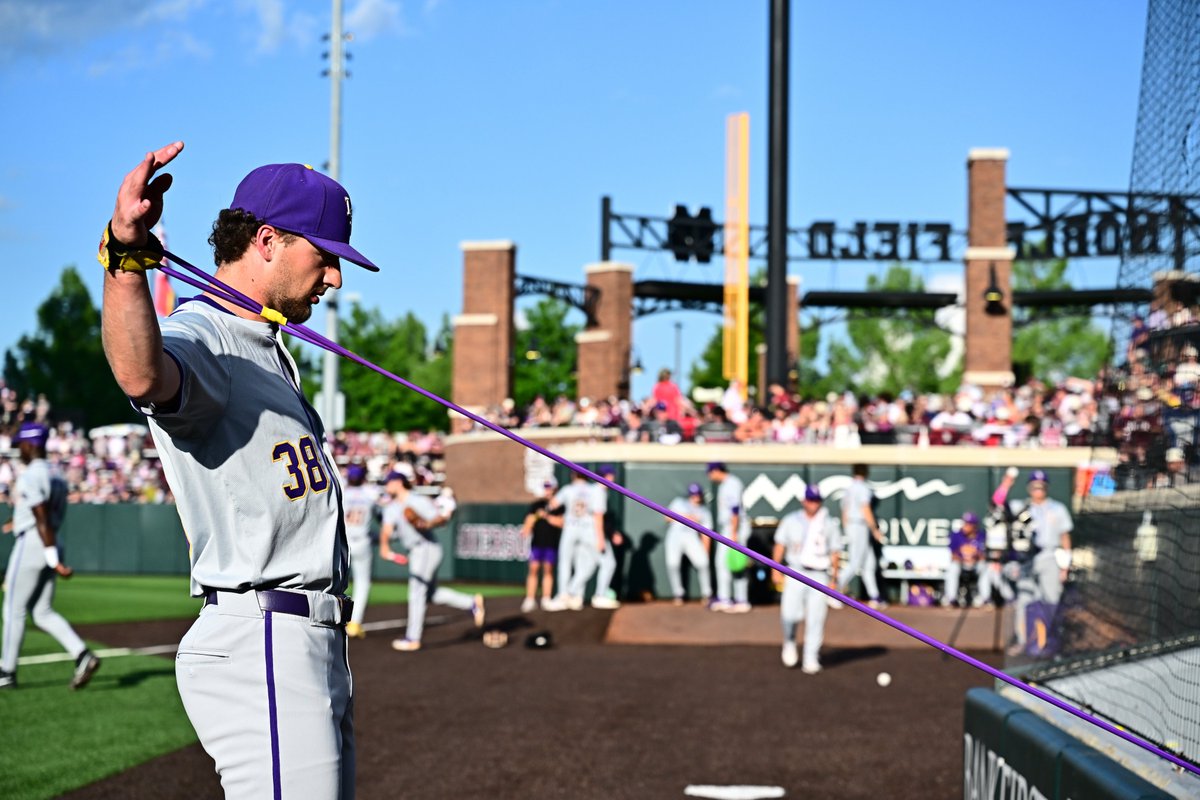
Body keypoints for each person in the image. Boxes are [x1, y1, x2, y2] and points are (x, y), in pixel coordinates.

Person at [101, 143, 369, 797]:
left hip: (303, 641)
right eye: (324, 254)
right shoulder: (208, 334)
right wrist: (125, 259)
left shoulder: (264, 344)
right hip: (265, 638)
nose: (335, 277)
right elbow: (142, 373)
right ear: (268, 240)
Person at [0, 422, 101, 691]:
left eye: (21, 443)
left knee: (13, 609)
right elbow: (42, 513)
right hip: (51, 538)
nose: (18, 448)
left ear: (31, 444)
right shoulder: (56, 473)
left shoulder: (31, 474)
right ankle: (83, 655)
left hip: (36, 542)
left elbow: (40, 515)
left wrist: (51, 557)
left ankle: (6, 672)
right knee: (42, 611)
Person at [380, 472, 482, 651]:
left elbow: (440, 519)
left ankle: (413, 638)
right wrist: (385, 547)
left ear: (398, 483)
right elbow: (386, 531)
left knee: (416, 592)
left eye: (388, 482)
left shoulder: (417, 501)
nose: (386, 486)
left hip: (426, 547)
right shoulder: (391, 507)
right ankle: (471, 602)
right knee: (430, 594)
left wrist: (427, 524)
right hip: (416, 550)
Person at [772, 485, 842, 674]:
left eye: (816, 500)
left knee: (816, 619)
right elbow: (780, 544)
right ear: (804, 500)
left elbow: (835, 552)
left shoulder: (829, 523)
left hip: (819, 573)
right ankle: (789, 641)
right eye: (810, 499)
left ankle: (811, 657)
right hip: (796, 571)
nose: (813, 504)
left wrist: (834, 579)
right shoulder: (791, 520)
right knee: (789, 614)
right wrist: (775, 568)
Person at [1009, 469, 1073, 656]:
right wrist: (1007, 481)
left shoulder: (1057, 508)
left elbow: (1065, 537)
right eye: (1035, 486)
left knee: (1051, 599)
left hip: (1050, 555)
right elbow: (998, 506)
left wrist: (1065, 565)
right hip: (1026, 558)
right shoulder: (1020, 507)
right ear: (1029, 487)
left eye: (1041, 486)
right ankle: (1023, 641)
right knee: (1024, 600)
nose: (1038, 489)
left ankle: (1048, 641)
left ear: (1046, 487)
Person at [544, 470, 606, 611]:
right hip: (588, 529)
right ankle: (576, 596)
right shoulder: (593, 490)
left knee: (566, 562)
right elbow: (598, 514)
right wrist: (600, 538)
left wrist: (549, 495)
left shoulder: (568, 489)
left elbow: (552, 505)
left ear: (573, 475)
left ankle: (564, 594)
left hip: (571, 528)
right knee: (585, 562)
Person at [837, 463, 887, 609]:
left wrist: (847, 527)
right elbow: (865, 509)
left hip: (853, 525)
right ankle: (833, 591)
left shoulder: (849, 488)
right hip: (859, 524)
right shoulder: (863, 488)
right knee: (855, 562)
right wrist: (875, 529)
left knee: (869, 563)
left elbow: (844, 511)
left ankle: (874, 596)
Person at [342, 463, 383, 639]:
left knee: (336, 581)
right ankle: (354, 623)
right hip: (362, 541)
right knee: (363, 583)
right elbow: (382, 515)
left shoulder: (341, 491)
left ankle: (331, 618)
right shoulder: (370, 495)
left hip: (343, 542)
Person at [706, 462, 751, 613]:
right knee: (727, 563)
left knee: (735, 564)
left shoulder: (731, 483)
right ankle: (729, 598)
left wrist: (734, 533)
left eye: (710, 472)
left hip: (734, 528)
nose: (709, 475)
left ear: (717, 470)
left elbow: (735, 509)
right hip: (732, 527)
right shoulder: (727, 483)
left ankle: (738, 600)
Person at [663, 483, 713, 605]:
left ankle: (707, 594)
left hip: (691, 537)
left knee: (703, 563)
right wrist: (687, 517)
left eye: (697, 494)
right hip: (675, 536)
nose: (695, 497)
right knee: (673, 564)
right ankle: (678, 594)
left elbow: (706, 534)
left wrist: (705, 551)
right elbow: (667, 518)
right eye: (693, 494)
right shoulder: (679, 502)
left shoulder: (704, 511)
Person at [520, 478, 563, 612]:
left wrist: (546, 516)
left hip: (551, 543)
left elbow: (562, 523)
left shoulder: (559, 506)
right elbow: (527, 524)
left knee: (548, 570)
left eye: (550, 487)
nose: (547, 490)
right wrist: (533, 520)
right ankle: (530, 599)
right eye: (546, 487)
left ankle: (546, 598)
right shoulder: (536, 505)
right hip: (537, 543)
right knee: (533, 569)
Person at [590, 464, 624, 609]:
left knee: (584, 566)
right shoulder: (599, 491)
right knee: (609, 563)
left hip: (585, 531)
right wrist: (601, 539)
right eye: (611, 475)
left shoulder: (595, 490)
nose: (613, 477)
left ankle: (572, 595)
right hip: (592, 533)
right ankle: (600, 595)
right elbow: (597, 517)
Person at [942, 512, 990, 608]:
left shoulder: (981, 536)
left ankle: (986, 599)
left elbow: (984, 556)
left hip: (975, 565)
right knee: (953, 567)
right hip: (961, 564)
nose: (965, 526)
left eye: (968, 524)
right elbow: (953, 556)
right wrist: (964, 559)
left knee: (984, 567)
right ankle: (951, 599)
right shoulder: (956, 535)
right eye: (964, 523)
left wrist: (975, 557)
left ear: (974, 526)